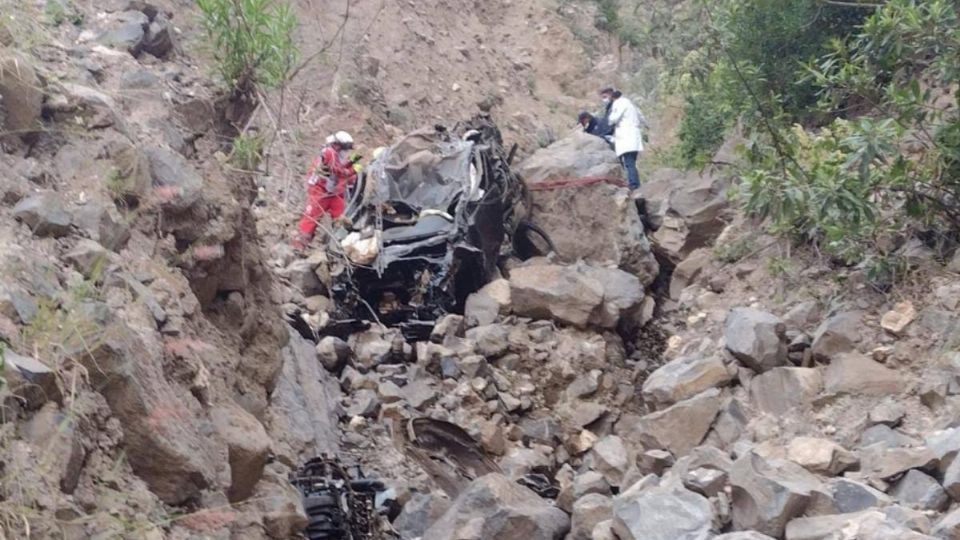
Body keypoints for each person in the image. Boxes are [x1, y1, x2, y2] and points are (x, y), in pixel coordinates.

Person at [294, 131, 360, 249]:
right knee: (311, 218)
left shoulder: (337, 154)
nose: (346, 153)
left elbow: (341, 169)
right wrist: (351, 171)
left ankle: (339, 243)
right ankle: (298, 246)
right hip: (319, 190)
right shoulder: (328, 152)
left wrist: (352, 164)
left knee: (340, 216)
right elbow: (336, 170)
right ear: (338, 146)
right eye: (345, 149)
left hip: (332, 192)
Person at [601, 88, 646, 192]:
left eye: (605, 97)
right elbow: (641, 117)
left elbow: (613, 119)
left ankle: (634, 185)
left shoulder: (618, 104)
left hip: (626, 137)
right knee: (632, 162)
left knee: (629, 163)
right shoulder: (629, 103)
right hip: (633, 136)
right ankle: (635, 183)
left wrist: (610, 118)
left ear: (612, 96)